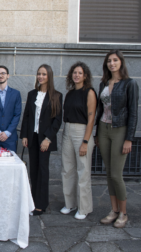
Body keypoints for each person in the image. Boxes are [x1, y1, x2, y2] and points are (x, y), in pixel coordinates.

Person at [96, 50, 139, 228]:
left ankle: (123, 212)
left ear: (121, 62)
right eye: (109, 61)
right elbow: (100, 110)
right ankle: (113, 210)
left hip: (120, 130)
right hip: (104, 129)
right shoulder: (103, 83)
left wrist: (129, 139)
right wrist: (97, 133)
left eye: (115, 60)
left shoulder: (130, 84)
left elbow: (134, 113)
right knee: (108, 173)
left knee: (116, 173)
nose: (112, 63)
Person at [20, 64, 62, 216]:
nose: (41, 77)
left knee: (43, 171)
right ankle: (33, 201)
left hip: (45, 139)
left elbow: (57, 120)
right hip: (32, 137)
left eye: (44, 74)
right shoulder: (32, 94)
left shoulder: (56, 96)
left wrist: (48, 138)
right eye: (39, 74)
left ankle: (41, 204)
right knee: (34, 170)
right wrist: (24, 135)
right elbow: (27, 116)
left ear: (49, 76)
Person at [61, 61, 97, 220]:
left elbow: (91, 119)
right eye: (74, 72)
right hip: (67, 131)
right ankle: (70, 203)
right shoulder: (69, 93)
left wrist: (85, 141)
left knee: (83, 171)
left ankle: (84, 208)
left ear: (85, 76)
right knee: (67, 169)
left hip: (82, 132)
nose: (76, 75)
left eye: (80, 73)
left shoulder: (89, 92)